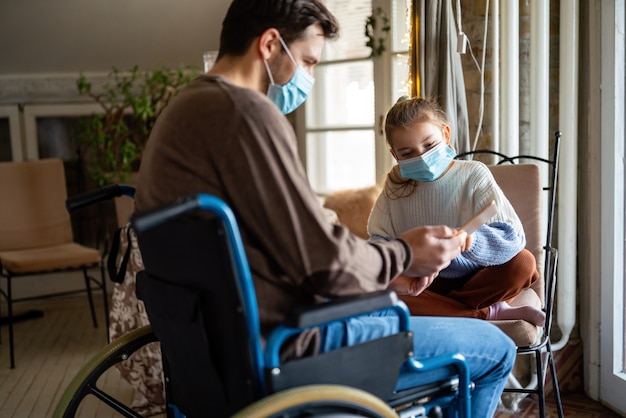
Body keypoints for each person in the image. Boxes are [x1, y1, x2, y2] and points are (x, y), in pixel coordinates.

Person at [134, 1, 516, 416]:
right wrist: (406, 254)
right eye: (308, 62)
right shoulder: (245, 113)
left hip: (213, 350)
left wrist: (382, 273)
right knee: (496, 348)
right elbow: (322, 261)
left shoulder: (184, 109)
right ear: (269, 45)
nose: (309, 77)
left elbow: (279, 246)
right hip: (296, 346)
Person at [368, 95, 546, 327]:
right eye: (407, 153)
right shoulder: (395, 187)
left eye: (429, 145)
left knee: (524, 263)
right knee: (377, 293)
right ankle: (487, 313)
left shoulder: (473, 174)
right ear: (395, 155)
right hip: (423, 283)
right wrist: (403, 259)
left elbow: (513, 237)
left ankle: (446, 310)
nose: (421, 157)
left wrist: (471, 241)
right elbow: (378, 242)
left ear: (446, 135)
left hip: (477, 279)